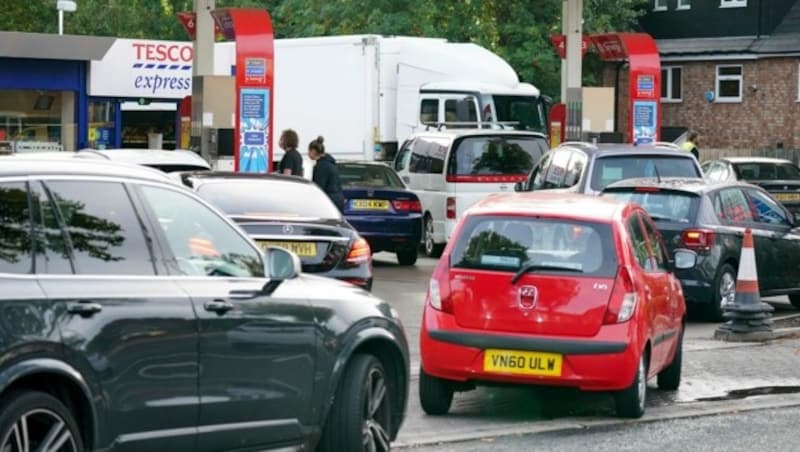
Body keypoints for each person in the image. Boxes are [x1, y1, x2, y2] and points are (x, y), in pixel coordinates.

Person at [308, 136, 344, 211]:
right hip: (338, 200)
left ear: (313, 151)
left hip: (329, 202)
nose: (308, 153)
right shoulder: (330, 163)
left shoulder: (321, 166)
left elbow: (319, 188)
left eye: (309, 151)